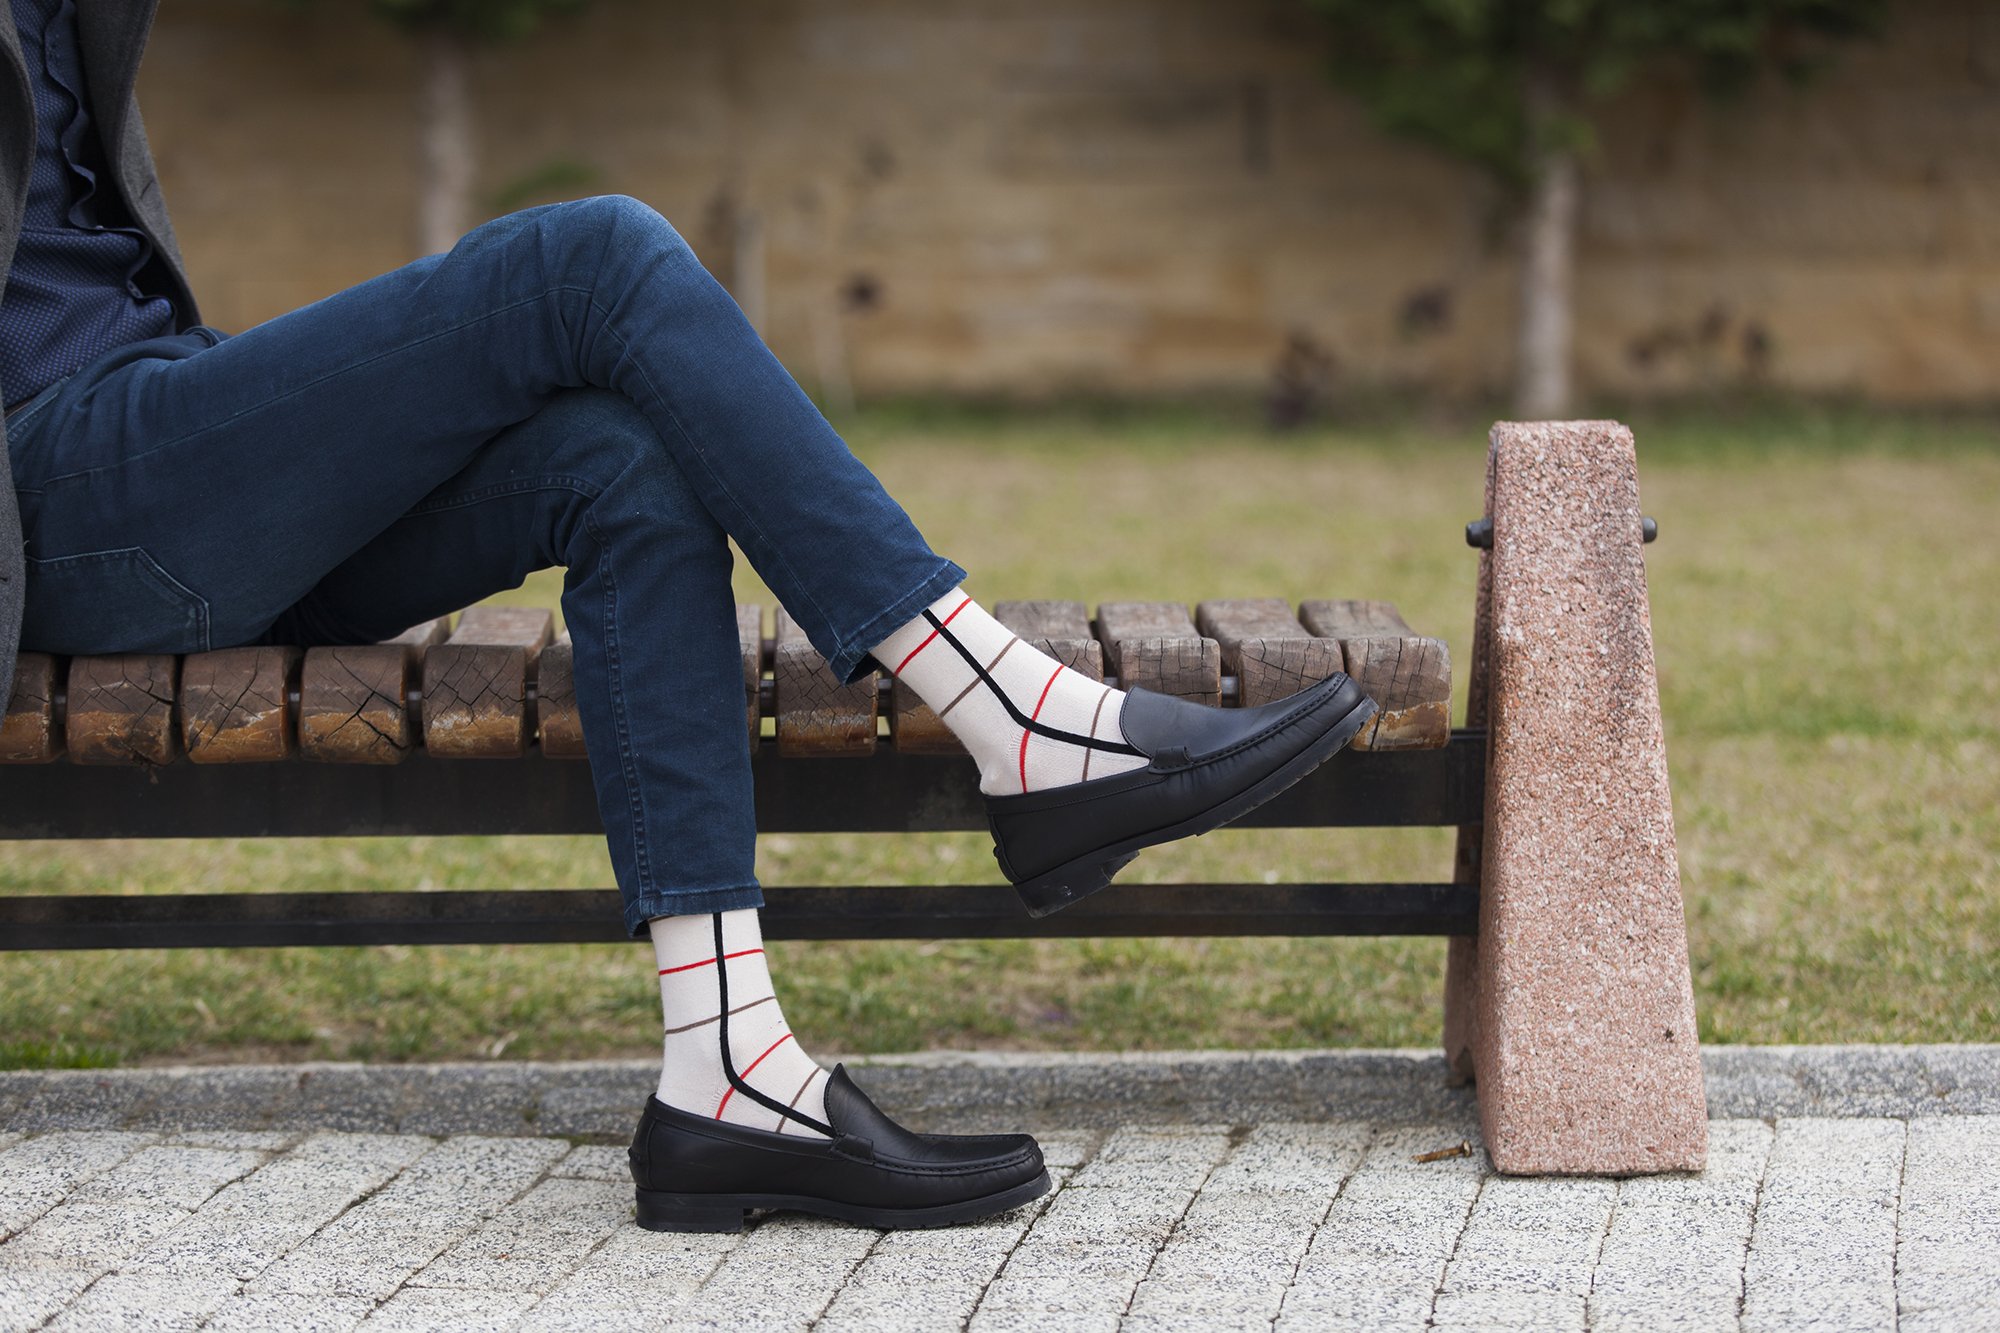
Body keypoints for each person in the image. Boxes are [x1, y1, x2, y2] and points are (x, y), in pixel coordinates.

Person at [0, 0, 1375, 1233]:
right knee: (591, 257)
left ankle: (728, 1065)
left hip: (172, 443)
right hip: (59, 490)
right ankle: (1013, 715)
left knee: (624, 462)